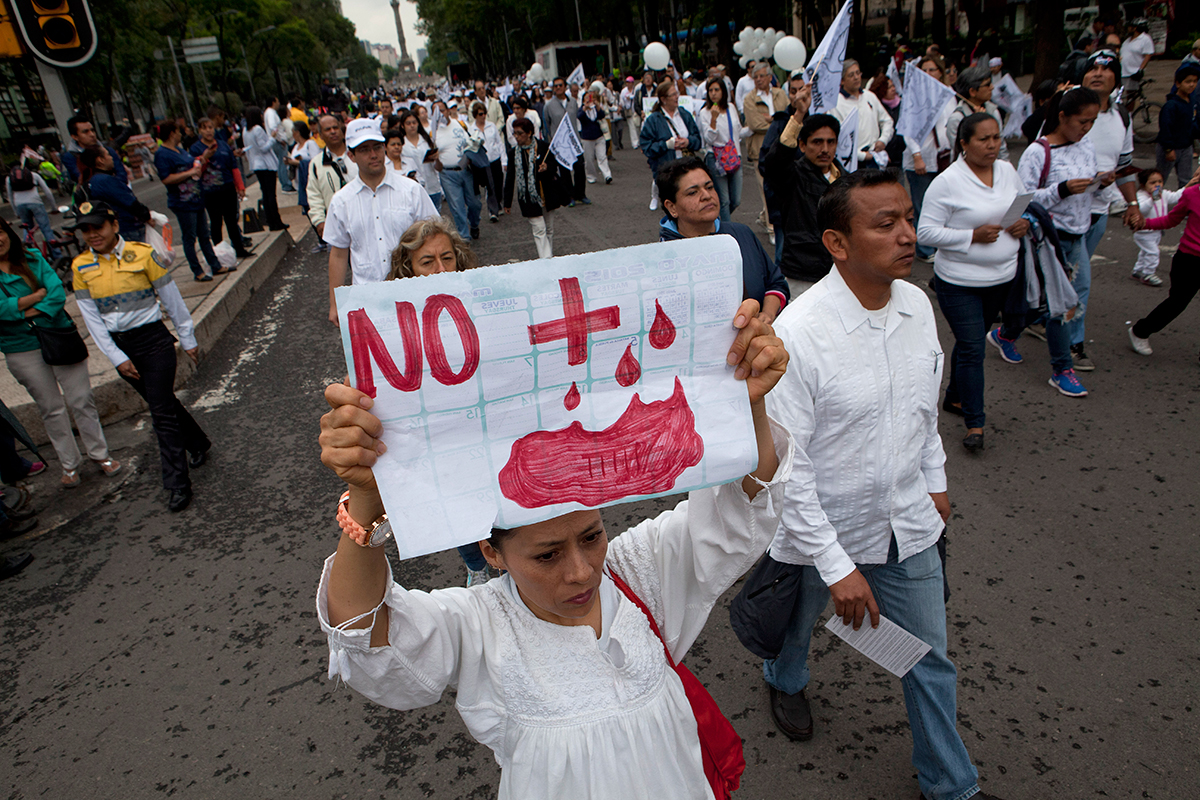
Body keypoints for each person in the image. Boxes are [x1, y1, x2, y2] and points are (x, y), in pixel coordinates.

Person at [316, 296, 790, 800]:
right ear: (492, 552)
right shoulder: (481, 625)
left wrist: (748, 404)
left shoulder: (638, 571)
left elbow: (739, 508)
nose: (582, 572)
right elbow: (365, 634)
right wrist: (366, 497)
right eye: (547, 555)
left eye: (591, 536)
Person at [760, 169, 1009, 800]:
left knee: (928, 658)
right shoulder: (799, 334)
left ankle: (950, 786)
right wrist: (837, 567)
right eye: (886, 224)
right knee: (797, 625)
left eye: (908, 219)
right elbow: (790, 467)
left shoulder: (918, 306)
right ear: (837, 243)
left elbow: (922, 409)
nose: (907, 235)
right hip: (823, 529)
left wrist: (935, 479)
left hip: (908, 521)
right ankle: (784, 677)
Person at [69, 202, 210, 512]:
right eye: (85, 230)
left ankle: (177, 483)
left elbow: (172, 299)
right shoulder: (80, 266)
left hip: (154, 341)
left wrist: (187, 337)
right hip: (122, 348)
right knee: (163, 403)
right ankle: (198, 442)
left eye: (98, 227)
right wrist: (116, 357)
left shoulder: (143, 254)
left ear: (114, 225)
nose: (92, 235)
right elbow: (92, 320)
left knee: (160, 414)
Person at [918, 113, 1030, 451]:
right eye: (983, 139)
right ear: (964, 143)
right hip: (959, 282)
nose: (992, 145)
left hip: (1002, 278)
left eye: (996, 137)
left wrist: (1022, 223)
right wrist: (971, 236)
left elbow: (1021, 205)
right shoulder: (948, 182)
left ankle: (955, 396)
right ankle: (975, 423)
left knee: (970, 344)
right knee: (972, 347)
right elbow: (926, 233)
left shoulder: (1007, 170)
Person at [0, 217, 121, 487]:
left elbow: (55, 293)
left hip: (59, 337)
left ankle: (100, 454)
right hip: (21, 349)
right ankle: (69, 464)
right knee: (51, 409)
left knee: (82, 399)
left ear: (8, 232)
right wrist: (34, 297)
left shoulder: (32, 257)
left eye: (0, 232)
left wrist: (21, 310)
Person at [1011, 88, 1102, 398]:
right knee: (1060, 304)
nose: (1086, 128)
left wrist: (1101, 183)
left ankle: (1006, 333)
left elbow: (1088, 189)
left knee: (1070, 297)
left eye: (1092, 122)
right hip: (1046, 238)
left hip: (1078, 236)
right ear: (1062, 117)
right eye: (1082, 121)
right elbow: (1021, 200)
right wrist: (1061, 189)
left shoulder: (1086, 145)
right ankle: (1062, 368)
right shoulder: (1038, 152)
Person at [324, 119, 439, 323]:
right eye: (364, 150)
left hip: (413, 294)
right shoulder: (341, 202)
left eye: (377, 147)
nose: (373, 154)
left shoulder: (411, 191)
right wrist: (335, 304)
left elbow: (435, 239)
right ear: (351, 155)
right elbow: (339, 254)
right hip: (368, 300)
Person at [656, 157, 789, 322]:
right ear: (672, 207)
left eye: (709, 187)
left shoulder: (741, 234)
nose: (706, 196)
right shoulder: (661, 258)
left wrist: (767, 314)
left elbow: (776, 283)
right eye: (692, 192)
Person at [765, 112, 842, 289]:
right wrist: (798, 115)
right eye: (817, 142)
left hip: (838, 271)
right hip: (801, 273)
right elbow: (774, 163)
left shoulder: (845, 179)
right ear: (802, 145)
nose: (825, 149)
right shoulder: (792, 176)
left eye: (830, 142)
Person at [1128, 172, 1200, 356]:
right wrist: (1144, 224)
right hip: (1189, 259)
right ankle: (1140, 331)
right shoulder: (1191, 195)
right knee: (1177, 303)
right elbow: (1171, 219)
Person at [153, 120, 226, 281]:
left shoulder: (179, 150)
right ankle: (197, 271)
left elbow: (191, 164)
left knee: (204, 234)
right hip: (182, 202)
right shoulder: (162, 154)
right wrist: (189, 173)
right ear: (172, 133)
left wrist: (202, 159)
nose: (181, 134)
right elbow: (166, 178)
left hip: (196, 198)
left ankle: (215, 265)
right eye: (178, 131)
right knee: (190, 237)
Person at [904, 56, 957, 263]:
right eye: (923, 70)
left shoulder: (948, 94)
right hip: (922, 159)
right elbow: (908, 130)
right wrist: (917, 156)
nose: (928, 74)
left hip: (943, 158)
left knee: (943, 203)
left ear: (940, 72)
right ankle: (925, 249)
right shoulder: (914, 97)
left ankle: (941, 242)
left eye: (932, 70)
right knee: (922, 204)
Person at [503, 117, 570, 259]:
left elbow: (554, 165)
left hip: (547, 194)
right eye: (515, 133)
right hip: (529, 197)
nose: (516, 137)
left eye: (520, 133)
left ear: (529, 133)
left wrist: (547, 167)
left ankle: (548, 255)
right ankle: (546, 260)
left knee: (549, 229)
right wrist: (507, 202)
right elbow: (510, 177)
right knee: (539, 229)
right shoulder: (513, 153)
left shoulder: (544, 147)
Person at [191, 117, 251, 259]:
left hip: (227, 187)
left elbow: (233, 166)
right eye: (204, 128)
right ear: (200, 131)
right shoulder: (196, 149)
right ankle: (219, 252)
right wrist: (204, 157)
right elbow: (195, 171)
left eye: (210, 127)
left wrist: (240, 186)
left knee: (232, 220)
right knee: (216, 221)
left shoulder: (223, 145)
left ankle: (239, 248)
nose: (208, 131)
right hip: (210, 191)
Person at [640, 81, 701, 212]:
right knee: (673, 206)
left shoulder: (684, 114)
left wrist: (688, 142)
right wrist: (666, 145)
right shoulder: (653, 120)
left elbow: (697, 139)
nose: (677, 97)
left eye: (676, 93)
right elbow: (647, 147)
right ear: (663, 99)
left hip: (687, 167)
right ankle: (656, 197)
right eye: (673, 94)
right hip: (667, 169)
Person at [744, 63, 791, 231]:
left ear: (770, 77)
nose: (758, 80)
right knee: (765, 187)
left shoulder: (780, 94)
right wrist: (777, 122)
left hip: (783, 148)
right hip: (760, 149)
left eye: (762, 76)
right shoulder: (749, 99)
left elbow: (788, 117)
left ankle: (767, 217)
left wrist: (772, 119)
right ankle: (772, 226)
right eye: (755, 77)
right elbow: (755, 123)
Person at [696, 78, 749, 225]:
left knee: (736, 199)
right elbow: (709, 139)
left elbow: (738, 131)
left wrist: (752, 128)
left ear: (723, 92)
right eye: (710, 90)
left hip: (733, 156)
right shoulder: (705, 112)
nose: (713, 93)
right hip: (716, 158)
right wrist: (714, 119)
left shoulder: (731, 108)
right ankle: (726, 228)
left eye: (717, 90)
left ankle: (718, 220)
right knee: (724, 200)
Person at [307, 114, 359, 254]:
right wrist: (319, 221)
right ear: (320, 135)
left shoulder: (358, 155)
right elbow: (314, 195)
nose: (333, 132)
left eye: (335, 128)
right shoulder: (317, 164)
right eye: (327, 129)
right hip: (336, 227)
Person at [435, 100, 486, 240]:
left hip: (466, 170)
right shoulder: (433, 133)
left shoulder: (460, 124)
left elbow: (472, 139)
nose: (440, 114)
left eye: (442, 110)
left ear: (448, 111)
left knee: (475, 203)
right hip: (448, 174)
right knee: (457, 208)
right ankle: (464, 238)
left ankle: (474, 224)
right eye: (436, 112)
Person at [78, 147, 151, 242]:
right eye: (108, 154)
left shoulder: (93, 180)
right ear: (100, 160)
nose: (111, 157)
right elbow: (129, 201)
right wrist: (146, 216)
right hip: (127, 228)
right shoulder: (104, 180)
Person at [832, 59, 894, 170]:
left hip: (875, 157)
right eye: (851, 75)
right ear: (842, 81)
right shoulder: (836, 104)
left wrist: (883, 140)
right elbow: (838, 138)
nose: (856, 77)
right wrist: (862, 156)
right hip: (852, 162)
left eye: (858, 73)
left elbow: (887, 121)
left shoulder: (869, 96)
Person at [1130, 168, 1187, 286]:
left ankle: (1138, 270)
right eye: (1152, 183)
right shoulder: (1140, 196)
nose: (1157, 185)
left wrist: (1189, 185)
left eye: (1160, 182)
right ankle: (1148, 274)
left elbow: (1176, 196)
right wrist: (1152, 199)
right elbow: (1142, 210)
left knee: (1145, 252)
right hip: (1144, 232)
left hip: (1157, 230)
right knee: (1153, 252)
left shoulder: (1163, 194)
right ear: (1143, 184)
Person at [946, 65, 1008, 163]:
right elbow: (960, 152)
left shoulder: (993, 111)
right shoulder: (957, 118)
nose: (992, 87)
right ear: (972, 91)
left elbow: (1001, 149)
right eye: (987, 85)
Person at [543, 77, 589, 207]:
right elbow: (547, 124)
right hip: (561, 144)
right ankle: (569, 196)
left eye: (560, 85)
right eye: (555, 86)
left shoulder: (573, 102)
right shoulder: (549, 106)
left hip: (574, 141)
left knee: (579, 168)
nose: (558, 88)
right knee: (564, 171)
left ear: (565, 87)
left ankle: (580, 194)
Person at [4, 161, 62, 262]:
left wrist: (16, 212)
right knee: (46, 229)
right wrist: (54, 207)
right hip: (36, 203)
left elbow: (10, 197)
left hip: (20, 205)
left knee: (27, 228)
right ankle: (57, 255)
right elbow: (47, 192)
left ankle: (29, 252)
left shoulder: (9, 179)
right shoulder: (34, 175)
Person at [243, 107, 288, 233]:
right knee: (271, 194)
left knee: (265, 193)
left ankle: (270, 220)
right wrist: (272, 137)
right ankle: (276, 221)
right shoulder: (257, 129)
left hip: (256, 165)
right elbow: (264, 147)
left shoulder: (246, 130)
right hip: (266, 165)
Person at [1156, 64, 1200, 189]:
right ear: (1178, 83)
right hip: (1170, 147)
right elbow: (1165, 128)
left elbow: (1193, 123)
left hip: (1186, 146)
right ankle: (1154, 199)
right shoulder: (1171, 105)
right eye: (1188, 82)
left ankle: (1185, 200)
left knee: (1186, 180)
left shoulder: (1192, 102)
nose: (1192, 85)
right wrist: (1168, 149)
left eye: (1194, 81)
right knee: (1160, 178)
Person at [61, 116, 128, 186]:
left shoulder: (107, 150)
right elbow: (83, 179)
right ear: (75, 137)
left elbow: (122, 174)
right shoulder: (70, 156)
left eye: (92, 130)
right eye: (85, 132)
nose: (92, 134)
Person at [469, 101, 507, 222]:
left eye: (485, 113)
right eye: (480, 114)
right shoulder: (471, 129)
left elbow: (499, 143)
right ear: (475, 115)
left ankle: (498, 202)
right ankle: (492, 211)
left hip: (495, 159)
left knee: (498, 184)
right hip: (483, 162)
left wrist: (504, 160)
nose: (483, 116)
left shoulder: (492, 126)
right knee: (490, 186)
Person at [397, 110, 442, 210]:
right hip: (413, 189)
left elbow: (438, 167)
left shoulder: (427, 141)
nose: (412, 126)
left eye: (414, 122)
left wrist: (437, 158)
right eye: (408, 123)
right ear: (403, 126)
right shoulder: (401, 145)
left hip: (432, 186)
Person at [576, 90, 612, 186]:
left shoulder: (595, 108)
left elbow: (602, 115)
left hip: (599, 136)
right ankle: (591, 176)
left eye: (590, 98)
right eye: (586, 98)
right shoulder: (581, 109)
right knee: (589, 159)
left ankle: (607, 175)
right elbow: (579, 116)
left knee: (602, 156)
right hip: (587, 138)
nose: (589, 100)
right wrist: (585, 107)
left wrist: (597, 105)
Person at [288, 120, 321, 218]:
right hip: (300, 182)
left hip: (309, 180)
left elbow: (315, 160)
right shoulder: (296, 147)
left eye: (293, 132)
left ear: (297, 132)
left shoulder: (310, 144)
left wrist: (299, 162)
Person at [263, 96, 296, 193]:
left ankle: (285, 183)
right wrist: (280, 139)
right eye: (277, 101)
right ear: (273, 102)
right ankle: (286, 185)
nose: (278, 103)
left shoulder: (268, 112)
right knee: (283, 163)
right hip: (278, 141)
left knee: (281, 163)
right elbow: (273, 127)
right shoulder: (271, 113)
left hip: (276, 140)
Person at [1119, 19, 1155, 94]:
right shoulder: (1127, 40)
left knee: (1131, 94)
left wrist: (1141, 69)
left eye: (1130, 27)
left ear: (1135, 28)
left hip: (1132, 72)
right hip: (1122, 72)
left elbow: (1148, 55)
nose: (1128, 29)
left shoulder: (1145, 39)